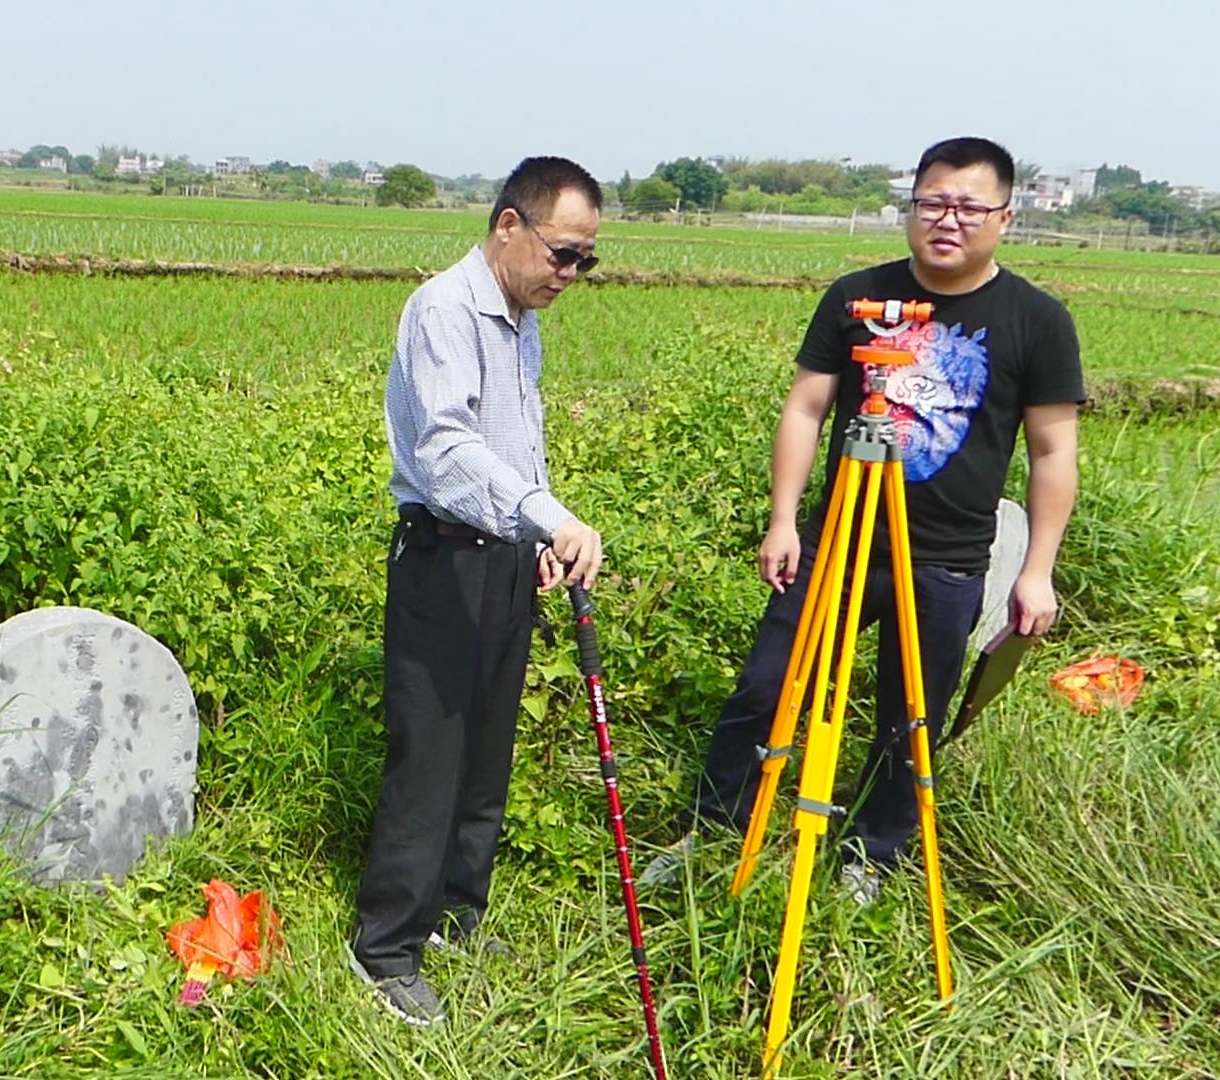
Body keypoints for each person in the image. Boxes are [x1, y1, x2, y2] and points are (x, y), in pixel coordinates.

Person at [645, 136, 1083, 903]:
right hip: (837, 544)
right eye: (933, 202)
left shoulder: (1036, 320)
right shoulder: (856, 296)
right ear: (910, 207)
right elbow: (806, 408)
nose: (948, 220)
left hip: (947, 556)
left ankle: (872, 856)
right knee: (766, 686)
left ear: (1005, 217)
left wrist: (1036, 570)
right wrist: (784, 521)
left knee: (911, 717)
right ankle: (713, 831)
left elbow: (1052, 453)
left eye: (969, 207)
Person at [349, 156, 607, 1026]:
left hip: (503, 555)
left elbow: (516, 445)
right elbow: (449, 452)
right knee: (433, 755)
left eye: (585, 262)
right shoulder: (445, 310)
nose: (569, 275)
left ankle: (457, 913)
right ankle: (385, 948)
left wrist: (537, 533)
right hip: (442, 558)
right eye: (562, 254)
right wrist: (549, 514)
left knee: (488, 751)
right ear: (508, 225)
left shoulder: (520, 316)